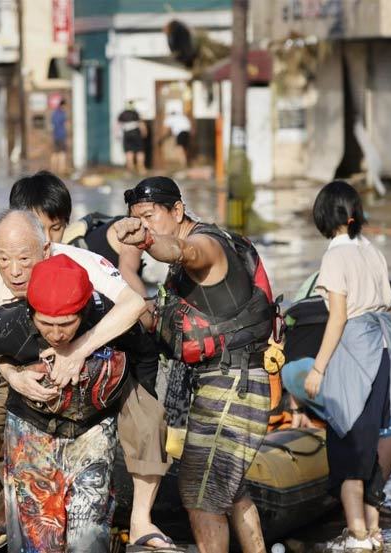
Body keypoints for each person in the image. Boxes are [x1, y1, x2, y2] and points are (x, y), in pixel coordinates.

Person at [0, 207, 175, 552]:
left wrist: (76, 351)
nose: (15, 271)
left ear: (46, 248)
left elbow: (134, 305)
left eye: (24, 258)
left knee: (148, 417)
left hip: (95, 353)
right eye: (4, 259)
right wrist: (14, 376)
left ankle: (140, 520)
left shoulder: (85, 265)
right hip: (15, 360)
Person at [114, 176, 275, 553]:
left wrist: (146, 241)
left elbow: (183, 251)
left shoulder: (207, 245)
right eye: (137, 219)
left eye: (151, 216)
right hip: (225, 382)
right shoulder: (179, 271)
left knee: (200, 493)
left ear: (178, 210)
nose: (144, 225)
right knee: (231, 489)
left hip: (234, 384)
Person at [302, 180, 391, 552]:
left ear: (323, 215)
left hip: (356, 351)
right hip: (384, 349)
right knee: (368, 440)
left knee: (347, 440)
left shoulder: (335, 256)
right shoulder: (371, 250)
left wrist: (319, 368)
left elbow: (338, 316)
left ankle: (356, 534)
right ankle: (373, 530)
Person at [282, 274, 391, 483]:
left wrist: (296, 402)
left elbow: (294, 329)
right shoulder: (373, 277)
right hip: (325, 372)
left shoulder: (315, 278)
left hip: (291, 373)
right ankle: (371, 494)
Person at [118, 101, 147, 174]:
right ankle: (141, 169)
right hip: (136, 133)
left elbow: (117, 125)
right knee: (140, 151)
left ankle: (130, 170)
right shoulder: (135, 113)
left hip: (127, 134)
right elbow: (141, 124)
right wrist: (144, 132)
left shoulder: (122, 114)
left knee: (129, 152)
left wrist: (117, 135)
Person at [50, 99, 69, 175]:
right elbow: (64, 124)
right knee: (62, 153)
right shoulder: (62, 114)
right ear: (63, 105)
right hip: (61, 135)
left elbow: (53, 124)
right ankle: (61, 170)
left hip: (55, 135)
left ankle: (53, 169)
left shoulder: (54, 113)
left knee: (55, 153)